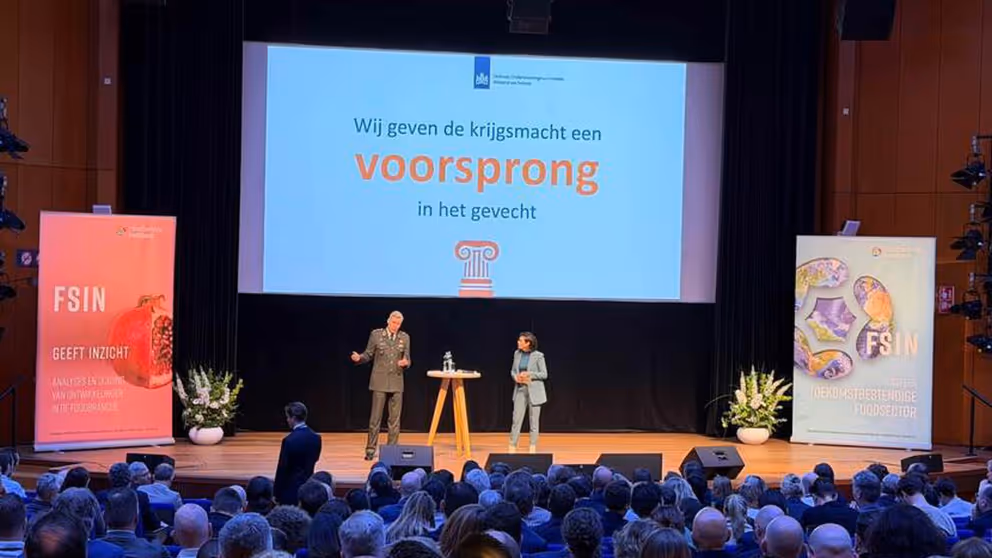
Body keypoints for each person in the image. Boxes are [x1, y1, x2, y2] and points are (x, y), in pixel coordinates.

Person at [351, 311, 411, 460]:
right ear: (388, 321)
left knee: (394, 420)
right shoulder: (376, 335)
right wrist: (359, 358)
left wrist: (406, 363)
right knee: (375, 419)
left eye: (398, 324)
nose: (395, 326)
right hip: (379, 382)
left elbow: (407, 358)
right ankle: (370, 450)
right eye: (393, 323)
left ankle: (392, 451)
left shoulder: (405, 337)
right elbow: (368, 354)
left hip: (397, 382)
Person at [274, 402, 322, 506]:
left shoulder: (289, 440)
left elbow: (282, 468)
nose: (287, 420)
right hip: (309, 488)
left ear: (293, 418)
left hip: (290, 491)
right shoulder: (316, 438)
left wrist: (276, 493)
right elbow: (315, 458)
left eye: (288, 417)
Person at [508, 331, 548, 454]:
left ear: (528, 343)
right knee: (516, 419)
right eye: (519, 340)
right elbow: (513, 371)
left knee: (534, 421)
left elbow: (544, 374)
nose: (518, 342)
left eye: (521, 341)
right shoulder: (517, 354)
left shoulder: (539, 356)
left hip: (534, 390)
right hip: (520, 389)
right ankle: (512, 445)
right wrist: (516, 377)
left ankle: (532, 446)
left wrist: (529, 374)